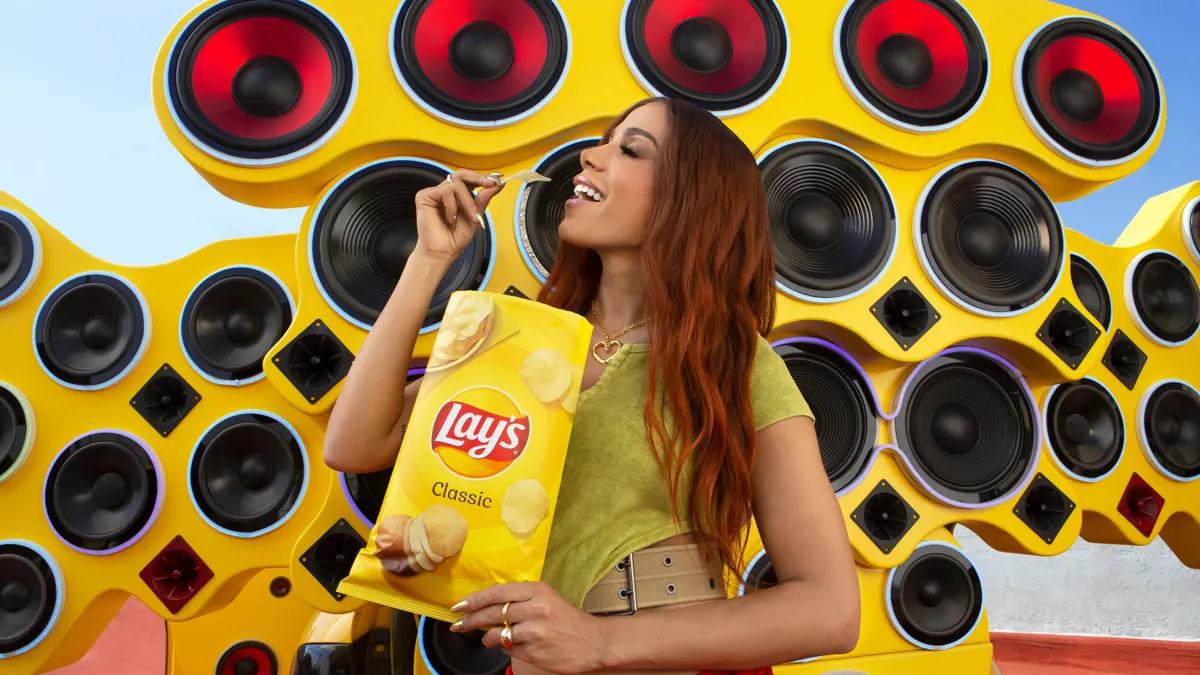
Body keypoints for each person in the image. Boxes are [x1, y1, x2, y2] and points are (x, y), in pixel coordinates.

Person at [323, 97, 861, 675]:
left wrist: (598, 642)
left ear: (692, 199)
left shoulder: (732, 361)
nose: (590, 156)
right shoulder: (520, 341)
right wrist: (428, 261)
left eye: (629, 149)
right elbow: (353, 446)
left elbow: (830, 610)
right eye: (605, 141)